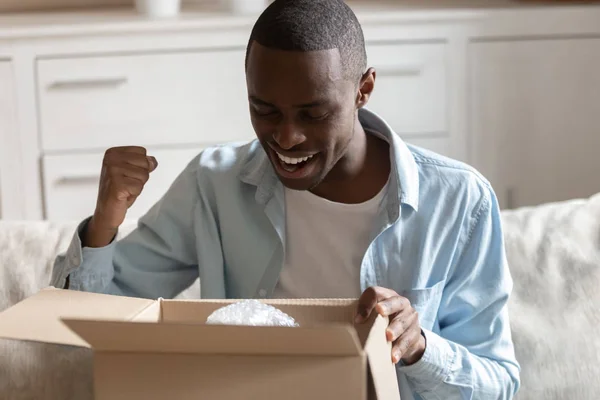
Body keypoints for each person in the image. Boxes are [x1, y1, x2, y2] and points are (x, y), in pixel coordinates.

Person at [51, 0, 520, 398]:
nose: (287, 137)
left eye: (313, 113)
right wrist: (105, 223)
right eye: (264, 110)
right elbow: (86, 328)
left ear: (364, 89)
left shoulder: (459, 201)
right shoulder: (214, 184)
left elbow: (499, 382)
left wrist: (419, 348)